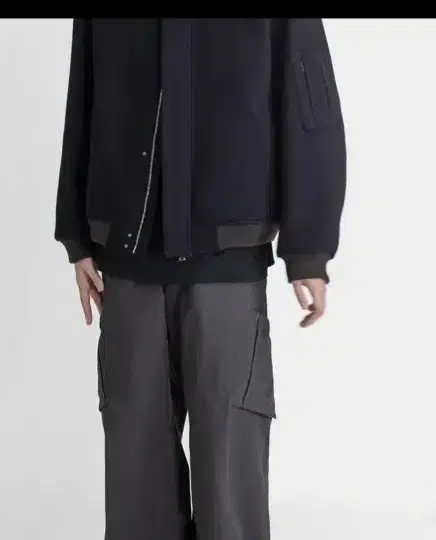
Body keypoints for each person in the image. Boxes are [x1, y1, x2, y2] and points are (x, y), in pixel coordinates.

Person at [54, 18, 346, 540]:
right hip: (127, 267)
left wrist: (308, 248)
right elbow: (84, 93)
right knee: (137, 484)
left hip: (227, 272)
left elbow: (309, 103)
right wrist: (76, 236)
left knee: (229, 483)